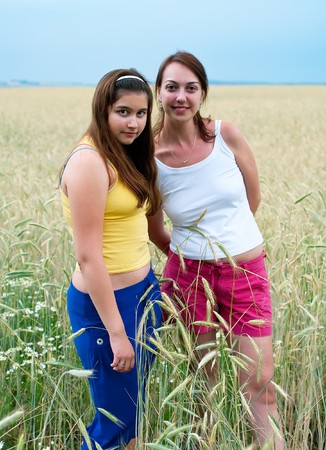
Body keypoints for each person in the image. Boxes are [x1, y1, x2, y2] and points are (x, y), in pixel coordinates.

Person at [148, 51, 284, 449]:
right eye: (171, 87)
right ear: (158, 93)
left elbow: (251, 200)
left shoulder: (226, 135)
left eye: (191, 88)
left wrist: (229, 245)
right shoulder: (151, 159)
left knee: (260, 385)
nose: (181, 96)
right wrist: (196, 258)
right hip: (190, 279)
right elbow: (158, 232)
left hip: (246, 274)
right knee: (202, 389)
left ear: (202, 93)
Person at [59, 69, 162, 450]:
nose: (134, 122)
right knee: (113, 423)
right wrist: (117, 333)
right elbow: (88, 257)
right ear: (102, 109)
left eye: (141, 113)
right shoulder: (90, 162)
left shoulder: (127, 155)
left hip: (143, 295)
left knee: (132, 416)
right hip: (107, 308)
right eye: (123, 112)